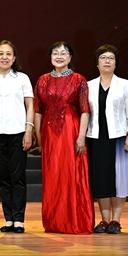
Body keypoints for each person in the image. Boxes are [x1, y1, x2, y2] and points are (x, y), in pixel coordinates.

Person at [34, 41, 93, 234]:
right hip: (49, 134)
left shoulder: (79, 80)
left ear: (70, 57)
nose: (59, 56)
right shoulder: (42, 80)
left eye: (64, 53)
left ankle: (74, 221)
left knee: (71, 174)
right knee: (53, 176)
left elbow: (85, 110)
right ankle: (55, 222)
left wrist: (81, 136)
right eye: (55, 53)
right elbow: (38, 110)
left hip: (71, 132)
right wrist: (39, 135)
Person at [0, 40, 33, 234]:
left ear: (14, 58)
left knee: (18, 177)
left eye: (8, 54)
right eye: (1, 54)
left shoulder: (22, 79)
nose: (4, 57)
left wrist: (29, 130)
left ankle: (19, 219)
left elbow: (30, 105)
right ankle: (8, 219)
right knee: (3, 178)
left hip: (18, 133)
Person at [86, 45, 128, 234]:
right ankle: (104, 220)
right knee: (102, 179)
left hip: (119, 138)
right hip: (96, 138)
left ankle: (116, 220)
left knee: (119, 179)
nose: (107, 61)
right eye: (103, 57)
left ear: (116, 64)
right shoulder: (88, 85)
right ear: (97, 63)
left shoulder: (124, 84)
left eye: (111, 58)